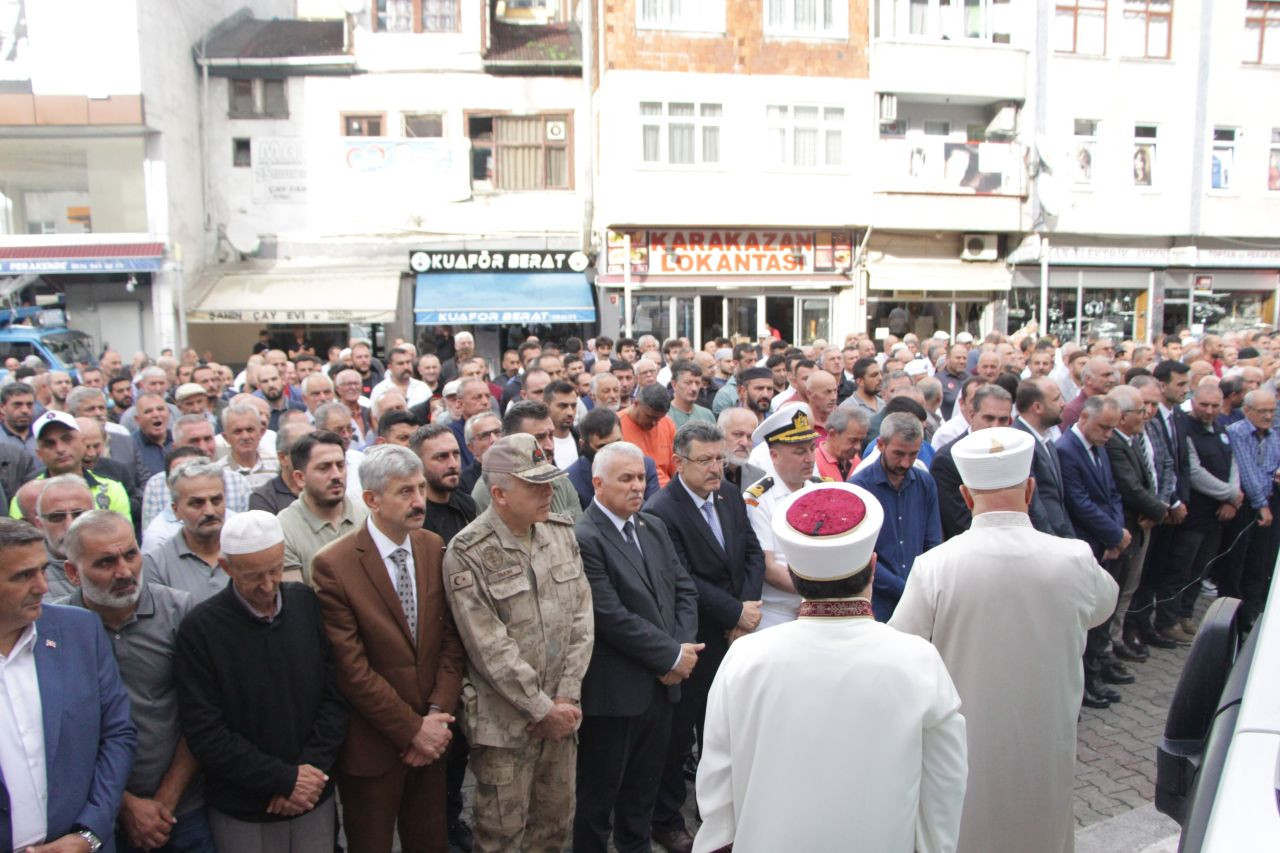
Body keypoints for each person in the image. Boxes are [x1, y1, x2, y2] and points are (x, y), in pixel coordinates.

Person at [694, 482, 967, 853]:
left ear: (793, 575)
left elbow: (716, 787)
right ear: (872, 566)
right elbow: (944, 787)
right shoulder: (917, 660)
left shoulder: (745, 659)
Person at [891, 428, 1117, 853]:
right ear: (1030, 490)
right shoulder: (1073, 557)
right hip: (1046, 738)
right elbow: (1103, 606)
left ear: (966, 496)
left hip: (963, 744)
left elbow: (901, 647)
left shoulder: (935, 567)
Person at [442, 434, 594, 853]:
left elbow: (582, 617)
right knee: (501, 837)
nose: (549, 492)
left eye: (549, 482)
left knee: (553, 830)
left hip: (563, 716)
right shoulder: (468, 551)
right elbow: (488, 646)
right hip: (506, 726)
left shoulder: (560, 533)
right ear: (499, 494)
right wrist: (541, 708)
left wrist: (566, 695)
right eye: (535, 486)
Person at [311, 446, 466, 853]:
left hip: (434, 738)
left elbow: (451, 640)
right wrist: (412, 730)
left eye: (419, 488)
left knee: (430, 843)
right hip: (374, 747)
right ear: (371, 500)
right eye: (404, 492)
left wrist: (436, 717)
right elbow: (351, 669)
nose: (418, 501)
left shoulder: (433, 546)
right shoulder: (334, 565)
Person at [175, 511, 348, 853]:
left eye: (274, 570)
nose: (268, 585)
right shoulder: (201, 629)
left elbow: (335, 695)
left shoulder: (304, 602)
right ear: (227, 568)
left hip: (313, 792)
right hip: (245, 806)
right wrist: (283, 780)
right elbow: (205, 730)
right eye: (253, 576)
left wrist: (308, 773)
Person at [61, 510, 214, 853]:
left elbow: (202, 713)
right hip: (96, 818)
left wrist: (164, 803)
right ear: (72, 572)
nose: (125, 571)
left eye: (130, 554)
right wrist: (124, 804)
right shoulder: (58, 630)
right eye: (105, 562)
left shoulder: (179, 612)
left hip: (181, 810)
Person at [573, 442, 700, 853]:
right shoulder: (585, 536)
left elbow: (683, 588)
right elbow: (608, 614)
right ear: (597, 483)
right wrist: (669, 656)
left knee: (642, 795)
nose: (637, 486)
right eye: (625, 479)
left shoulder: (651, 526)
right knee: (599, 799)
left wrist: (680, 651)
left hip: (662, 688)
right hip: (615, 693)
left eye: (641, 477)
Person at [644, 422, 764, 852]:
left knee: (727, 728)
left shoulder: (730, 494)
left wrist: (746, 609)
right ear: (679, 462)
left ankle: (720, 812)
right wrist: (733, 612)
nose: (716, 468)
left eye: (720, 458)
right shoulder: (662, 510)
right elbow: (683, 578)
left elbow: (750, 550)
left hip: (737, 633)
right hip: (695, 637)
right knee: (680, 735)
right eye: (706, 460)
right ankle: (666, 818)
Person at [0, 517, 137, 853]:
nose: (43, 587)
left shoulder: (80, 631)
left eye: (42, 570)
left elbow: (117, 735)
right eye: (23, 576)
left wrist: (88, 835)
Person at [1056, 395, 1131, 709]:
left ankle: (1097, 674)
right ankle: (1084, 684)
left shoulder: (1098, 447)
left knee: (1103, 611)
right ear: (1083, 418)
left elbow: (1112, 492)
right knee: (1085, 619)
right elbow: (1078, 501)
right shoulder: (1065, 450)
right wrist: (1113, 533)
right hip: (1086, 541)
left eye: (1113, 429)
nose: (1108, 435)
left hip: (1106, 543)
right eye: (1103, 427)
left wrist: (1117, 532)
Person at [851, 412, 942, 621]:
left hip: (919, 600)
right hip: (877, 603)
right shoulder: (860, 488)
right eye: (899, 454)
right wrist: (905, 589)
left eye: (913, 454)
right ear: (881, 444)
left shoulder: (925, 483)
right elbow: (862, 555)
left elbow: (933, 542)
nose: (905, 462)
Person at [743, 404, 824, 629]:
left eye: (812, 448)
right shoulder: (757, 498)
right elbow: (768, 567)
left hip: (816, 607)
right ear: (774, 455)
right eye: (800, 452)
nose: (809, 458)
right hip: (777, 613)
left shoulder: (819, 490)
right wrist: (816, 594)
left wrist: (818, 600)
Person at [1104, 385, 1169, 664]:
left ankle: (1115, 641)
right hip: (1128, 526)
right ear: (1122, 416)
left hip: (1141, 525)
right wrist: (1160, 510)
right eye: (1140, 411)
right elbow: (1129, 487)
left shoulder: (1130, 439)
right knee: (1118, 591)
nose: (1146, 415)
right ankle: (1109, 646)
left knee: (1128, 589)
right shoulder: (1114, 444)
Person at [277, 431, 367, 584]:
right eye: (324, 468)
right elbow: (296, 600)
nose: (336, 475)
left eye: (340, 465)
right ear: (300, 478)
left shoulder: (368, 513)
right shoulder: (283, 529)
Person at [12, 410, 133, 522]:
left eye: (67, 439)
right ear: (39, 454)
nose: (60, 449)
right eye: (49, 443)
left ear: (83, 443)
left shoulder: (111, 489)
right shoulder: (25, 497)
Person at [472, 401, 584, 521]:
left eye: (551, 435)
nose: (550, 446)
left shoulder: (561, 480)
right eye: (538, 438)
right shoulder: (489, 489)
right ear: (511, 441)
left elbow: (578, 533)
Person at [930, 385, 1015, 539]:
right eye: (988, 418)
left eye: (1003, 420)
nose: (995, 426)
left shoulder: (1015, 451)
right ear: (971, 415)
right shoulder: (948, 459)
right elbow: (959, 522)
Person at [143, 459, 231, 606]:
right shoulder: (156, 563)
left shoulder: (246, 550)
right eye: (197, 503)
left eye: (216, 500)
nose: (209, 511)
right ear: (176, 510)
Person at [1013, 378, 1075, 537]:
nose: (1063, 404)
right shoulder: (1019, 443)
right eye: (1056, 399)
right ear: (1037, 407)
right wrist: (1052, 543)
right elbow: (1033, 505)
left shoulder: (1046, 439)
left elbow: (1057, 499)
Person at [566, 409, 661, 510]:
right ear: (583, 445)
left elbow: (653, 511)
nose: (613, 452)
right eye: (603, 447)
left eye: (617, 443)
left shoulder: (644, 465)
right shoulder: (571, 480)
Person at [249, 422, 315, 515]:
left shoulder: (326, 487)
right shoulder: (264, 499)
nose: (315, 456)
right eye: (304, 451)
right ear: (283, 458)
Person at [619, 384, 677, 486]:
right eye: (650, 417)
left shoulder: (667, 423)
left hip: (667, 490)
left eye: (659, 418)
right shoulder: (616, 425)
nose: (655, 423)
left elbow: (676, 469)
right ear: (636, 403)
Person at [459, 412, 502, 497]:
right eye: (485, 436)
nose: (494, 440)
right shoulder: (463, 482)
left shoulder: (520, 466)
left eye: (497, 432)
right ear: (470, 447)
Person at [666, 361, 715, 430]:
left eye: (697, 383)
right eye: (688, 383)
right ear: (674, 384)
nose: (694, 388)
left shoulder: (707, 415)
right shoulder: (664, 416)